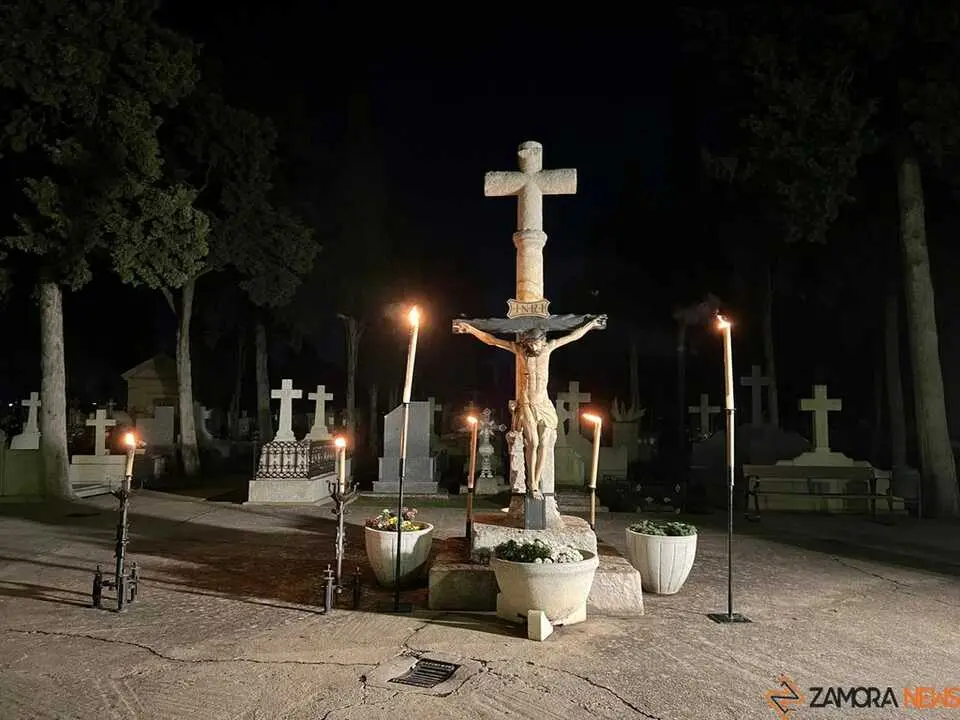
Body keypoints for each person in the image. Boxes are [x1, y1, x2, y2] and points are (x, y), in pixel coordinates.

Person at [452, 316, 606, 495]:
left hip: (543, 403)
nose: (532, 347)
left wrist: (590, 325)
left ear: (542, 341)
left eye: (535, 343)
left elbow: (573, 336)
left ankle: (536, 481)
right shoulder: (520, 351)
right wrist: (471, 329)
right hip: (526, 403)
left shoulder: (549, 348)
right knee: (532, 441)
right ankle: (531, 482)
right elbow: (492, 340)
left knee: (544, 442)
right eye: (529, 344)